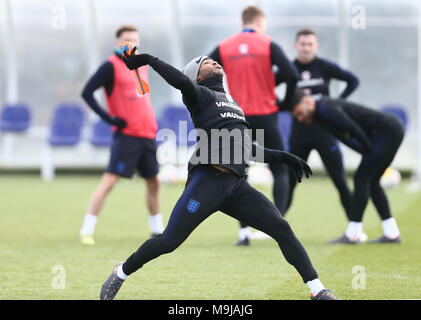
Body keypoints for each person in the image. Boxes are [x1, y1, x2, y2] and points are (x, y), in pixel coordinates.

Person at [99, 51, 339, 300]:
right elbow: (180, 82)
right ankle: (121, 272)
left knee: (282, 228)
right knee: (169, 241)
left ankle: (317, 290)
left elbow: (246, 148)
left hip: (235, 186)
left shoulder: (232, 104)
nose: (213, 61)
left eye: (212, 60)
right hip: (208, 181)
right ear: (197, 77)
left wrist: (284, 157)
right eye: (204, 62)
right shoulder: (199, 94)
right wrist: (150, 60)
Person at [208, 5, 300, 245]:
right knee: (280, 169)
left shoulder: (225, 46)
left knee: (239, 171)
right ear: (260, 22)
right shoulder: (267, 44)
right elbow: (291, 74)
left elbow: (202, 71)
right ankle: (276, 225)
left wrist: (217, 101)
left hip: (238, 116)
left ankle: (244, 233)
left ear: (243, 21)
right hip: (267, 113)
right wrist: (286, 102)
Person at [79, 25, 164, 245]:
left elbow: (141, 100)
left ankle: (157, 230)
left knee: (154, 182)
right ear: (117, 42)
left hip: (148, 134)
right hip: (126, 136)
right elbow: (86, 92)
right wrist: (109, 118)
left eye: (135, 40)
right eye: (127, 40)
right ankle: (87, 229)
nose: (131, 43)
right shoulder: (110, 66)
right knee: (109, 182)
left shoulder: (141, 65)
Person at [290, 89, 404, 244]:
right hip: (389, 131)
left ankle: (353, 234)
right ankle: (391, 233)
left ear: (308, 102)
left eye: (300, 113)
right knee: (372, 181)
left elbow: (351, 128)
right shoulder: (321, 115)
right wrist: (365, 150)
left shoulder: (325, 107)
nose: (300, 118)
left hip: (387, 132)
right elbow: (347, 137)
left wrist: (367, 149)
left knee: (361, 178)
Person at [280, 28, 359, 223]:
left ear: (316, 46)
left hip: (325, 132)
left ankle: (355, 228)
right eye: (303, 44)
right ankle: (275, 225)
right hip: (299, 135)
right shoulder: (289, 69)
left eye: (310, 44)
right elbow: (268, 85)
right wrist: (282, 106)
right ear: (295, 46)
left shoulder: (324, 67)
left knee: (340, 180)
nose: (306, 48)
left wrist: (337, 104)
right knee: (289, 182)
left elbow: (353, 81)